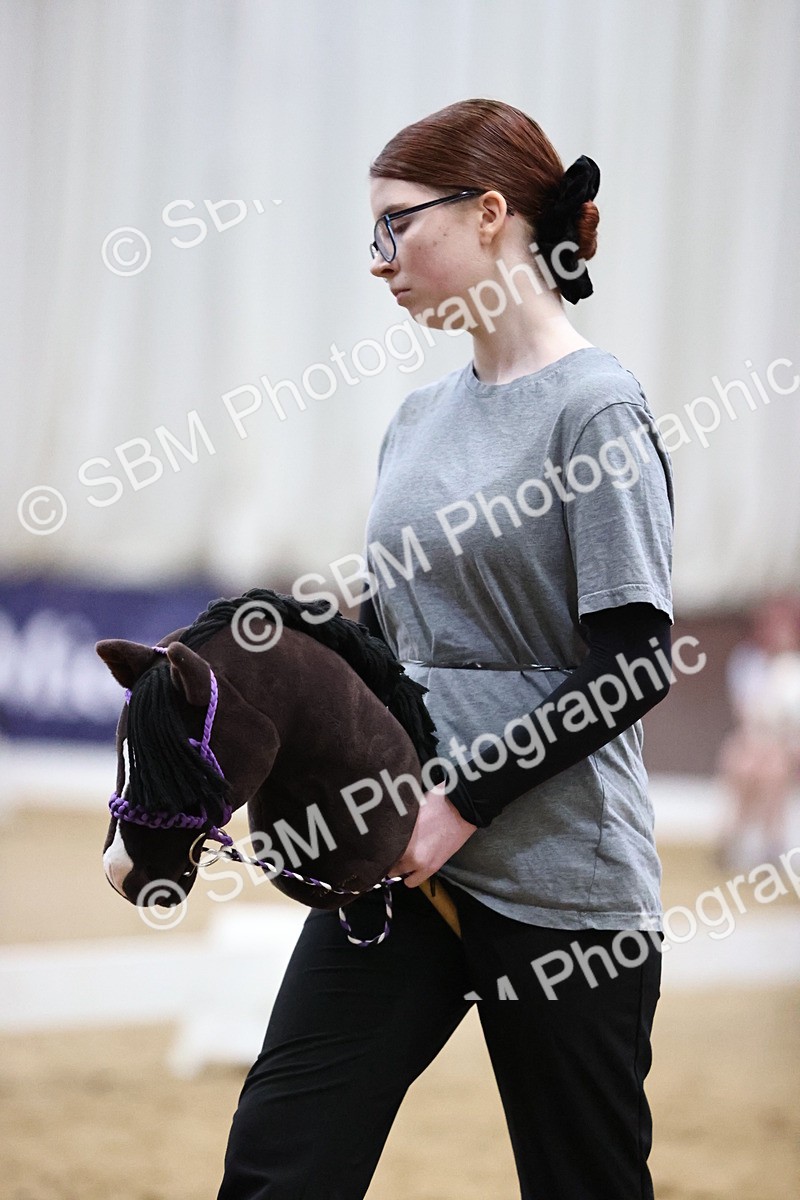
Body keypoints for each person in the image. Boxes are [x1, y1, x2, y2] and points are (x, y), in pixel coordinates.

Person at [217, 97, 675, 1200]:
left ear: (486, 214)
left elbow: (634, 663)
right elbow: (392, 639)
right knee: (280, 1162)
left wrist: (460, 799)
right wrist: (278, 672)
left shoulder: (596, 408)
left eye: (392, 226)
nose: (375, 260)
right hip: (394, 870)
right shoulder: (418, 416)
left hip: (563, 887)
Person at [715, 593, 800, 868]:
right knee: (743, 761)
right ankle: (734, 838)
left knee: (773, 768)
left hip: (788, 743)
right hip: (755, 740)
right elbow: (747, 712)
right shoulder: (747, 660)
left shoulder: (793, 666)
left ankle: (771, 844)